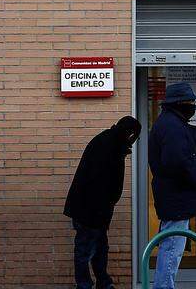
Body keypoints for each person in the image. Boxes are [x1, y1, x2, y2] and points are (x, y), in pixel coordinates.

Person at [64, 116, 142, 289]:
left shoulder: (108, 141)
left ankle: (103, 282)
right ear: (130, 134)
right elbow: (99, 184)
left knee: (99, 249)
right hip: (90, 211)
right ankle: (86, 285)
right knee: (86, 250)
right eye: (135, 137)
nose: (134, 141)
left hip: (94, 211)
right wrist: (102, 210)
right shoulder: (108, 146)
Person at [148, 82, 196, 289]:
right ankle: (164, 287)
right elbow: (177, 162)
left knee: (171, 245)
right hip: (177, 197)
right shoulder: (172, 126)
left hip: (174, 196)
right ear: (179, 103)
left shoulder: (169, 122)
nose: (193, 105)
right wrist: (194, 178)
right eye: (190, 101)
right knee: (173, 248)